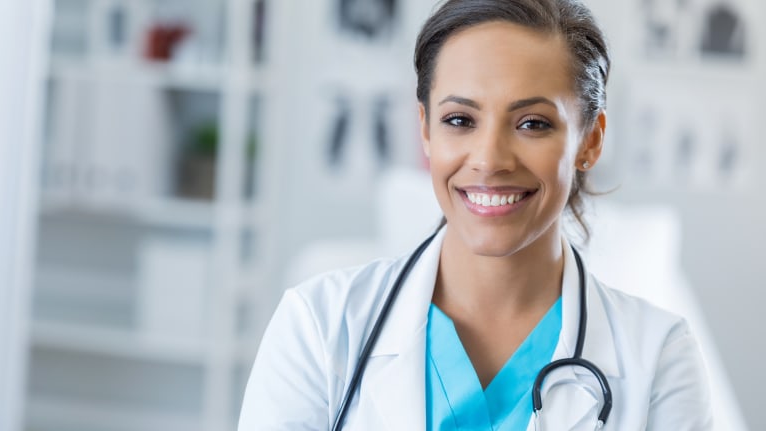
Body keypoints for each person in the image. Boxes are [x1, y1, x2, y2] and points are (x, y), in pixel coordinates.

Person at [238, 0, 713, 429]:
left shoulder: (660, 357)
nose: (489, 159)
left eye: (532, 123)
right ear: (425, 130)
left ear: (590, 139)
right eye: (459, 120)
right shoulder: (317, 328)